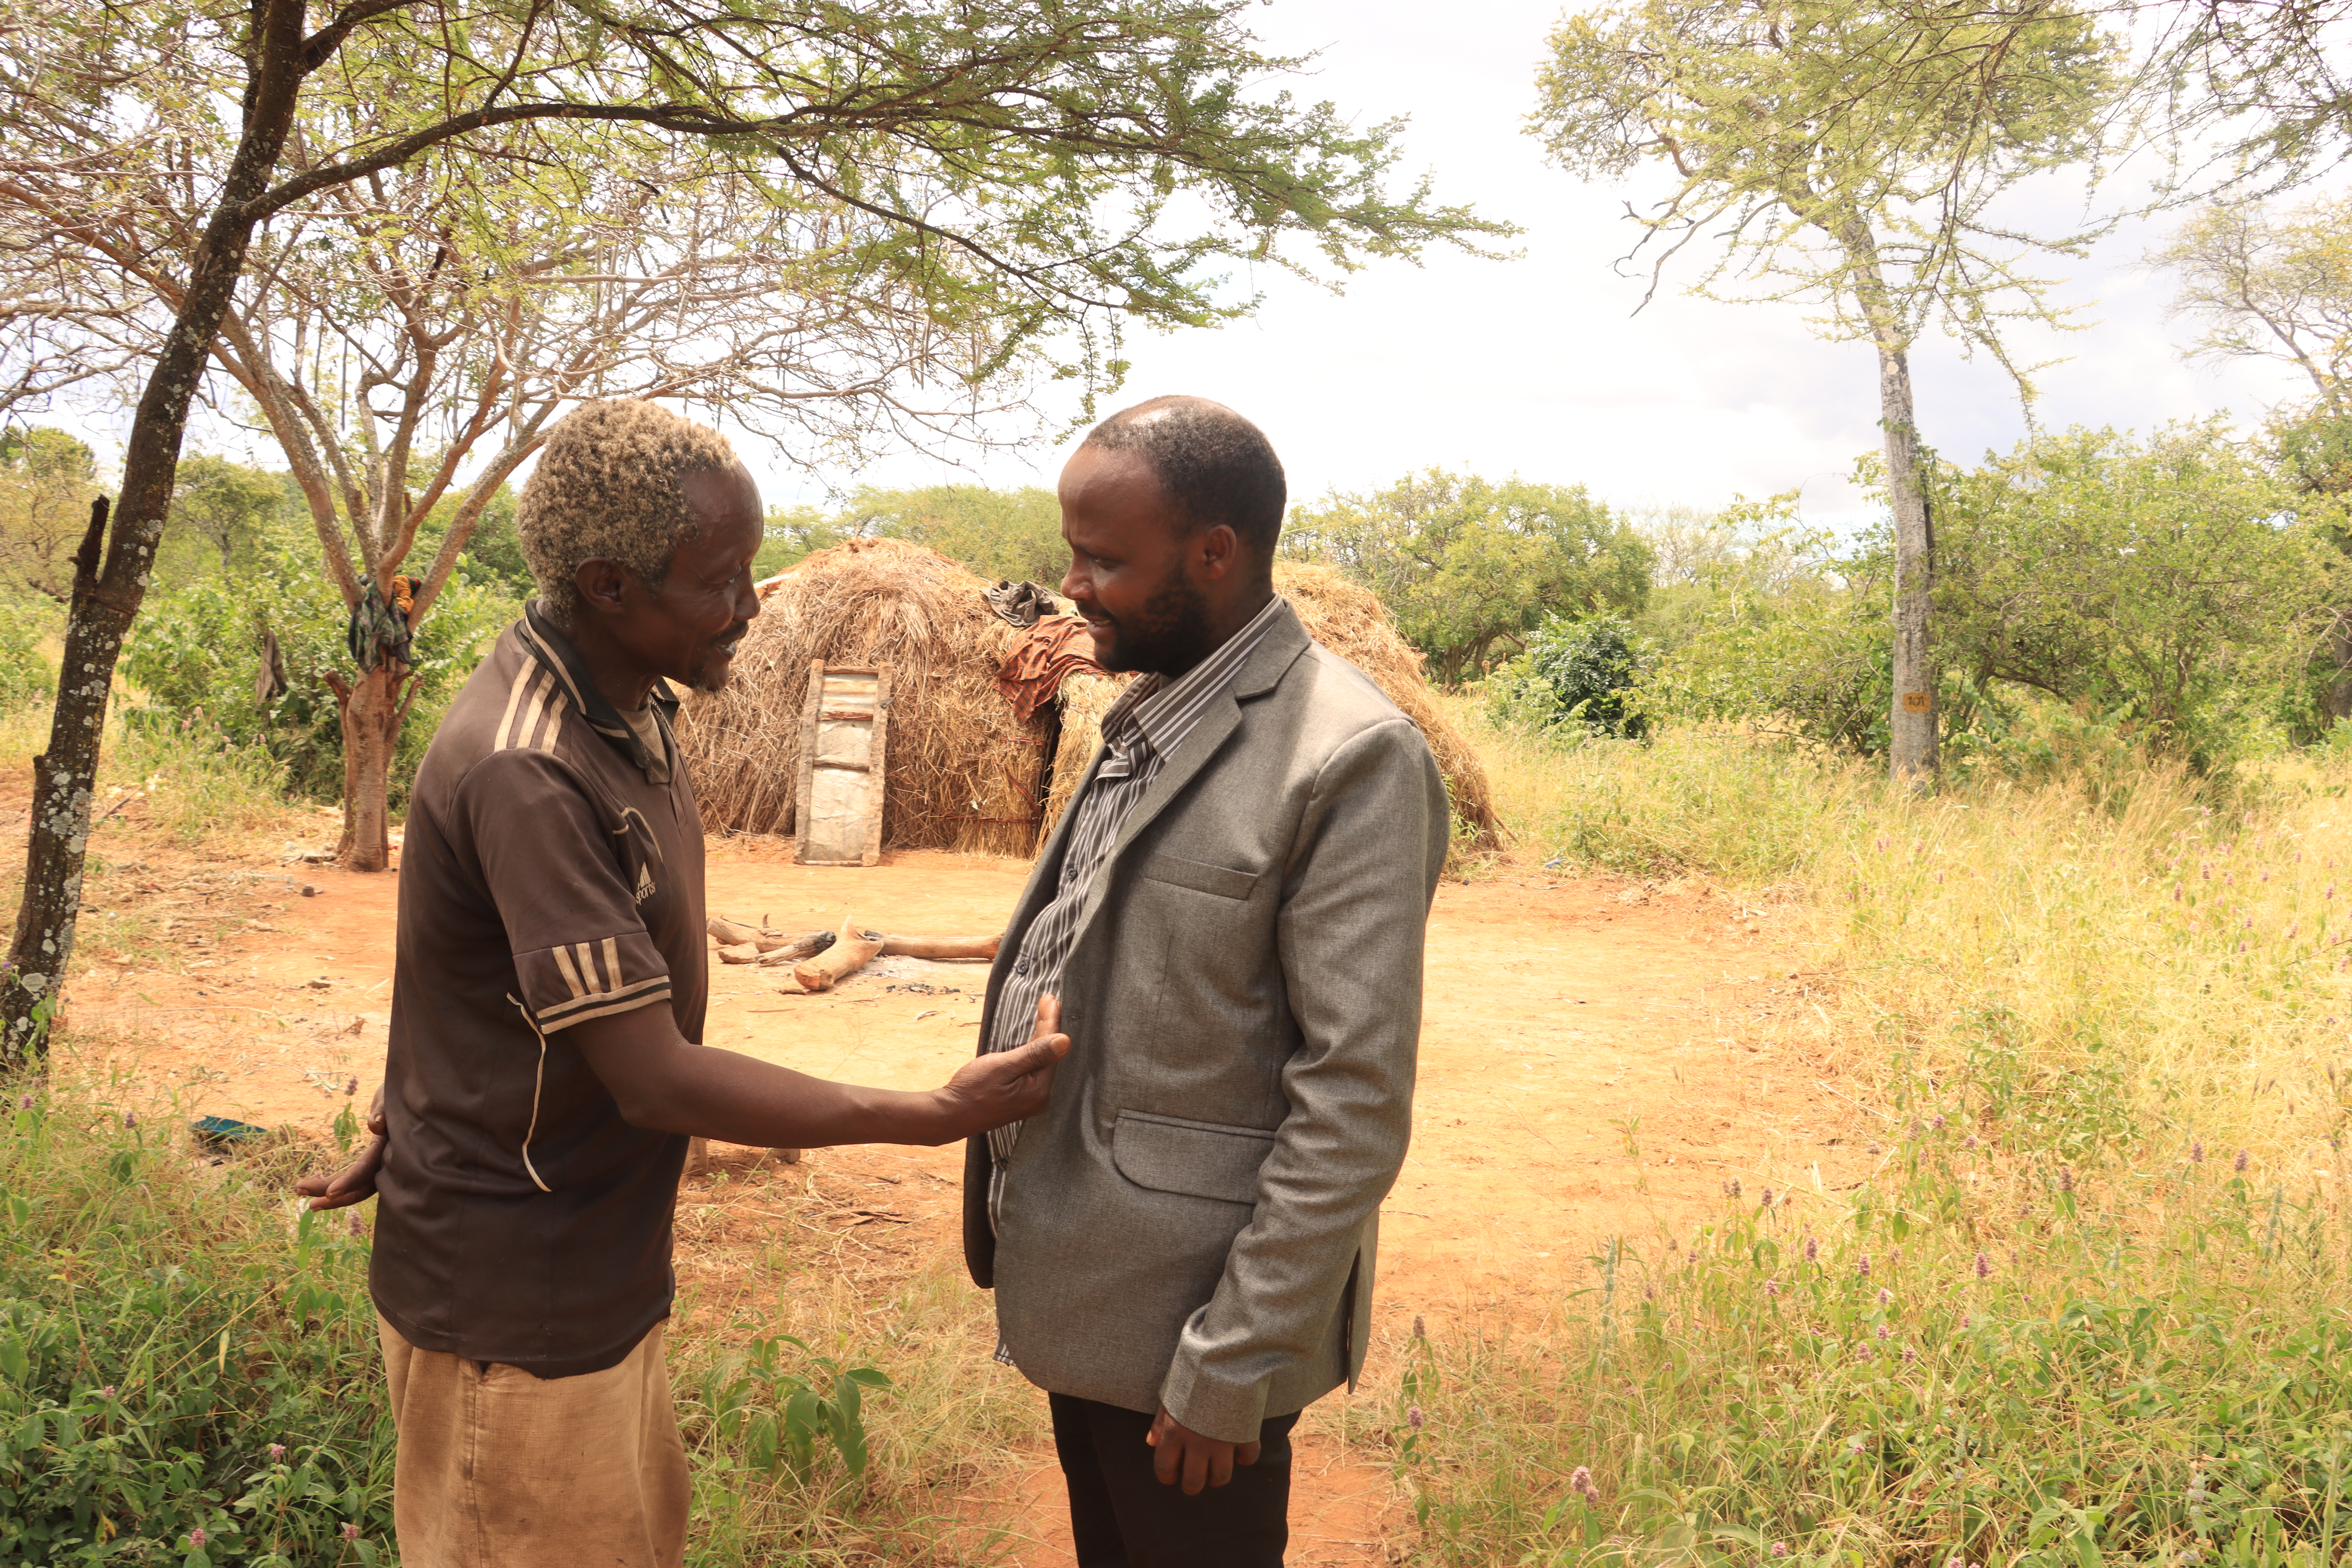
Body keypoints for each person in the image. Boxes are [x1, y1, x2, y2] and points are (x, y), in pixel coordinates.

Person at [296, 398, 1069, 1568]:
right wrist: (931, 1117)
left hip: (591, 1271)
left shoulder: (629, 704)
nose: (752, 608)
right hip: (518, 1301)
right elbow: (655, 1081)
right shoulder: (533, 769)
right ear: (608, 584)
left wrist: (410, 1107)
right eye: (721, 580)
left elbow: (468, 962)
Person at [961, 395, 1449, 1566]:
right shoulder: (1153, 712)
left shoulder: (1350, 755)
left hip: (1192, 1327)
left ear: (1214, 554)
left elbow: (1353, 1097)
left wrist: (1235, 1360)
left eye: (1103, 559)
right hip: (1090, 1283)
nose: (1071, 586)